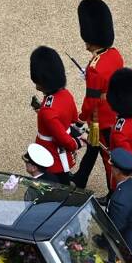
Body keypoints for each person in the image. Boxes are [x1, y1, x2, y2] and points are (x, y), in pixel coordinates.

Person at [73, 0, 124, 189]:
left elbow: (91, 101)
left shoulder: (95, 67)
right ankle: (81, 177)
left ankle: (113, 192)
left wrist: (80, 117)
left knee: (107, 157)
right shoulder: (114, 54)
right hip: (113, 112)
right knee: (93, 148)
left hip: (99, 119)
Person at [29, 46, 79, 176]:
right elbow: (74, 118)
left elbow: (65, 141)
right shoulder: (66, 94)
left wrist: (79, 143)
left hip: (50, 156)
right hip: (62, 156)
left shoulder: (48, 110)